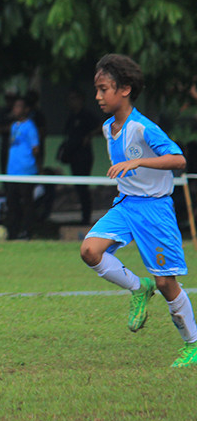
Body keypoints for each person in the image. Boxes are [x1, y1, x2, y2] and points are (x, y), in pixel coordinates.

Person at [80, 54, 197, 368]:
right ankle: (138, 287)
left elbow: (179, 160)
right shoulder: (108, 128)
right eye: (97, 89)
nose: (98, 96)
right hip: (126, 205)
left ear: (125, 89)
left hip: (155, 211)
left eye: (104, 89)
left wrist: (138, 161)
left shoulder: (143, 128)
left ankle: (193, 344)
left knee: (166, 283)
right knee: (90, 250)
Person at [60, 89, 100, 224]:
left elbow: (101, 126)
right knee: (78, 187)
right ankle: (83, 216)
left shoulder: (86, 115)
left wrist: (88, 136)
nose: (71, 102)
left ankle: (86, 217)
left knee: (83, 187)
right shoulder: (71, 116)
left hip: (84, 156)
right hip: (73, 156)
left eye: (74, 98)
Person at [6, 95, 39, 240]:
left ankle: (27, 232)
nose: (15, 109)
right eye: (14, 106)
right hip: (12, 171)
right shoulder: (13, 126)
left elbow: (35, 148)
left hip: (26, 171)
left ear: (26, 109)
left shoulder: (30, 126)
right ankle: (13, 231)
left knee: (27, 203)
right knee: (12, 203)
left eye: (19, 106)